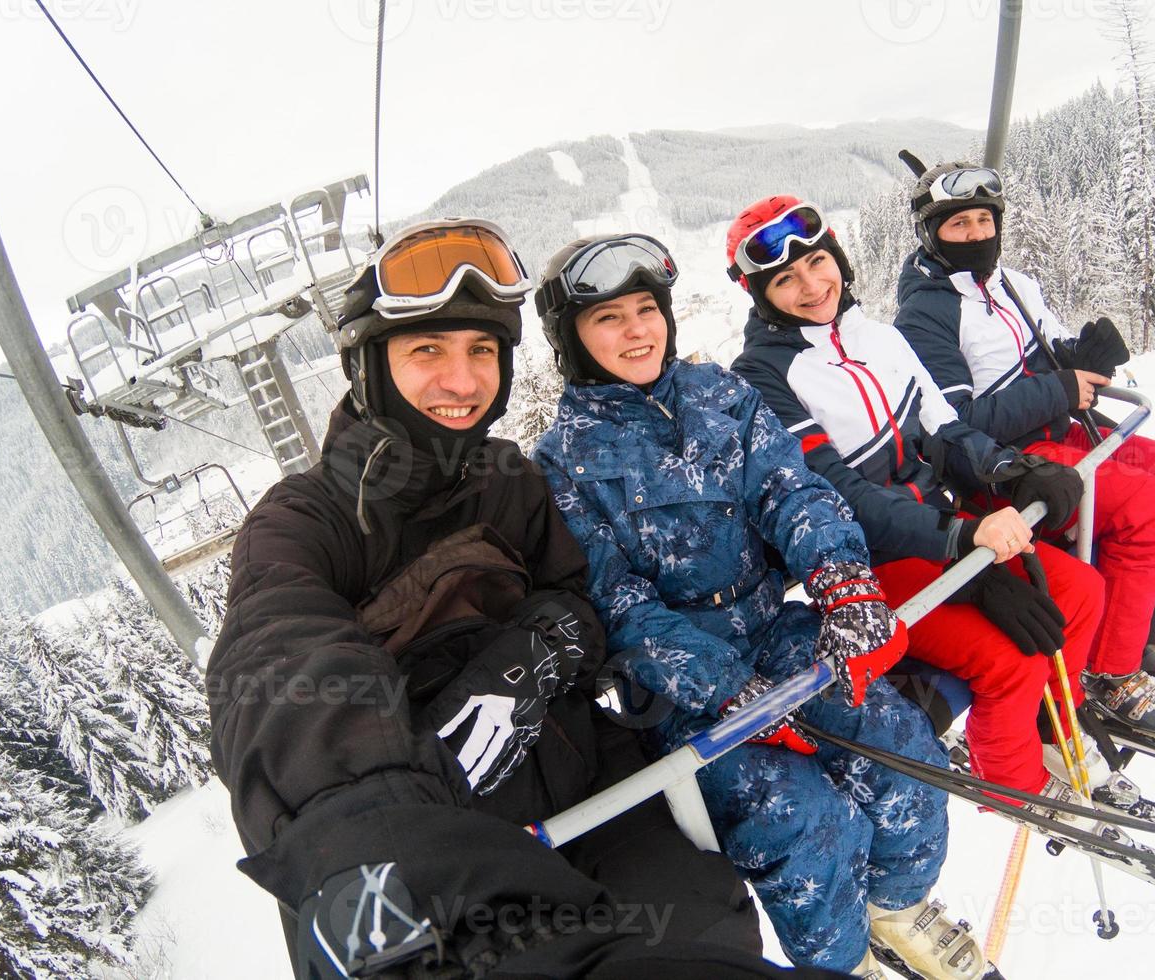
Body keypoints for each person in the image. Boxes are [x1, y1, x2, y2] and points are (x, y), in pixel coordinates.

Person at [207, 218, 828, 980]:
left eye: (480, 352)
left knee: (704, 935)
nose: (462, 382)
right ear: (369, 367)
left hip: (593, 791)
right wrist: (364, 840)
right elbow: (283, 662)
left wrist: (542, 650)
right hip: (454, 847)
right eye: (427, 351)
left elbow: (581, 596)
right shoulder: (309, 520)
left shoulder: (509, 482)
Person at [533, 232, 989, 979]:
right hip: (685, 690)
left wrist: (842, 581)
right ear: (573, 340)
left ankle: (896, 910)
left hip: (776, 628)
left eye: (645, 310)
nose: (636, 331)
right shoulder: (564, 461)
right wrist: (726, 690)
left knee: (901, 746)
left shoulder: (721, 397)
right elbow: (613, 600)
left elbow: (791, 493)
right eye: (608, 319)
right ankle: (841, 962)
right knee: (803, 820)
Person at [725, 195, 1120, 811]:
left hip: (944, 527)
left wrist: (1012, 469)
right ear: (759, 294)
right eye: (784, 279)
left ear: (840, 260)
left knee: (1081, 592)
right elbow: (841, 496)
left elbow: (947, 429)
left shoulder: (878, 338)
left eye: (818, 262)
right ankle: (1013, 784)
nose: (810, 285)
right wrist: (962, 551)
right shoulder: (762, 377)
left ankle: (1050, 731)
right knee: (1005, 661)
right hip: (873, 561)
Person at [892, 156, 1155, 732]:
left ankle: (1145, 638)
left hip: (1056, 434)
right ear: (931, 234)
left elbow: (1039, 357)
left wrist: (1081, 356)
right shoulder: (926, 315)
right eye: (957, 225)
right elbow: (961, 419)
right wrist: (1060, 389)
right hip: (1006, 462)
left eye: (983, 222)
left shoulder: (1013, 284)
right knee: (1142, 508)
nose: (975, 235)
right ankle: (1111, 675)